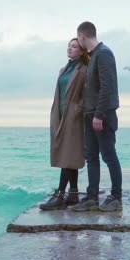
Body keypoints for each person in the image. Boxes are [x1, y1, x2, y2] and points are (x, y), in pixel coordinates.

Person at [72, 21, 123, 212]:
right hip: (90, 114)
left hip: (102, 115)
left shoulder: (104, 53)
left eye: (78, 38)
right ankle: (92, 197)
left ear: (82, 36)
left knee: (108, 155)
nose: (79, 42)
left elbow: (107, 87)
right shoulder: (93, 56)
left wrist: (100, 115)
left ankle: (116, 197)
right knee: (91, 157)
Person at [40, 38, 90, 210]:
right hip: (60, 116)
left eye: (74, 46)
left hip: (74, 118)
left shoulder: (84, 69)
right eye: (69, 45)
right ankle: (73, 194)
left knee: (68, 156)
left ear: (82, 51)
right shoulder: (64, 69)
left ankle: (60, 195)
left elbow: (89, 94)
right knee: (69, 156)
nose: (70, 48)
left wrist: (78, 109)